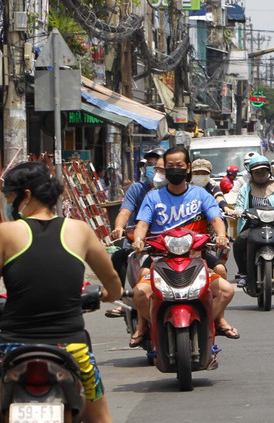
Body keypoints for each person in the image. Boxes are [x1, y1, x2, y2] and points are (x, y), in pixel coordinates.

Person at [0, 161, 122, 423]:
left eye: (9, 196)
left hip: (11, 346)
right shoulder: (80, 230)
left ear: (27, 196)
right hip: (71, 346)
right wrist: (108, 295)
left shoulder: (5, 233)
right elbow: (112, 281)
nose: (8, 204)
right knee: (100, 417)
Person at [130, 146, 239, 345]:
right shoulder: (153, 197)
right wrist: (138, 240)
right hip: (160, 257)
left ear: (188, 167)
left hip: (196, 255)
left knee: (225, 289)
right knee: (139, 291)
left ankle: (213, 321)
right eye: (169, 166)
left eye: (179, 165)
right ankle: (147, 325)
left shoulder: (201, 194)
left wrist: (222, 236)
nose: (174, 169)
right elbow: (142, 225)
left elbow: (216, 219)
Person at [105, 148, 165, 318]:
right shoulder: (137, 189)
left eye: (159, 167)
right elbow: (125, 212)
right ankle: (124, 300)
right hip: (140, 242)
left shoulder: (176, 190)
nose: (154, 170)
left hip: (169, 242)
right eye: (151, 165)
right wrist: (119, 228)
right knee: (119, 257)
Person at [230, 155, 274, 289]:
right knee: (239, 242)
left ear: (269, 171)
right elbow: (239, 204)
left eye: (263, 171)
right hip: (253, 224)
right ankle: (243, 274)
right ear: (251, 173)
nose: (261, 174)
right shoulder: (246, 188)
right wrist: (238, 211)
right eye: (257, 172)